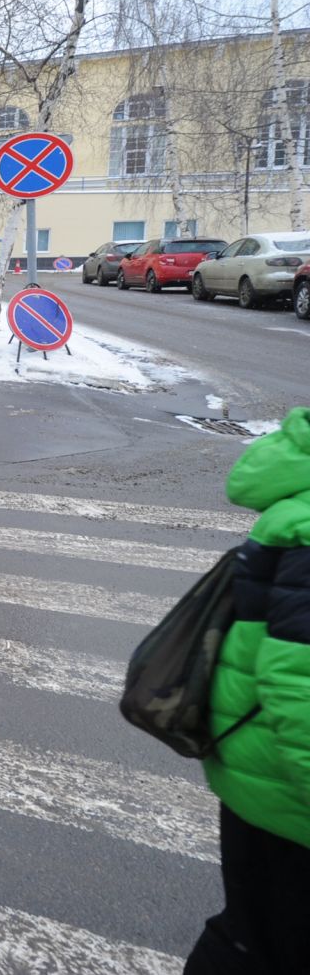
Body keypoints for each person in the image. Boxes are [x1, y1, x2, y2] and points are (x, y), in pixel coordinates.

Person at [186, 407, 310, 973]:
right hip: (287, 792)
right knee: (257, 945)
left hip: (267, 779)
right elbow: (298, 685)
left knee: (252, 938)